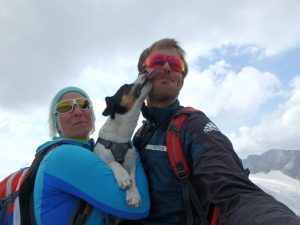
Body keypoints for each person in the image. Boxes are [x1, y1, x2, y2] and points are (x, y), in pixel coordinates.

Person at [129, 38, 300, 225]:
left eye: (177, 64)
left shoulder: (193, 127)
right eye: (158, 62)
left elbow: (235, 192)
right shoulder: (141, 133)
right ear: (142, 75)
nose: (168, 68)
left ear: (181, 81)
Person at [29, 86, 150, 225]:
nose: (78, 112)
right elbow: (138, 208)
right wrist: (127, 146)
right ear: (55, 122)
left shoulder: (94, 151)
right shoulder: (63, 156)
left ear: (92, 114)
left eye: (84, 104)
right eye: (65, 107)